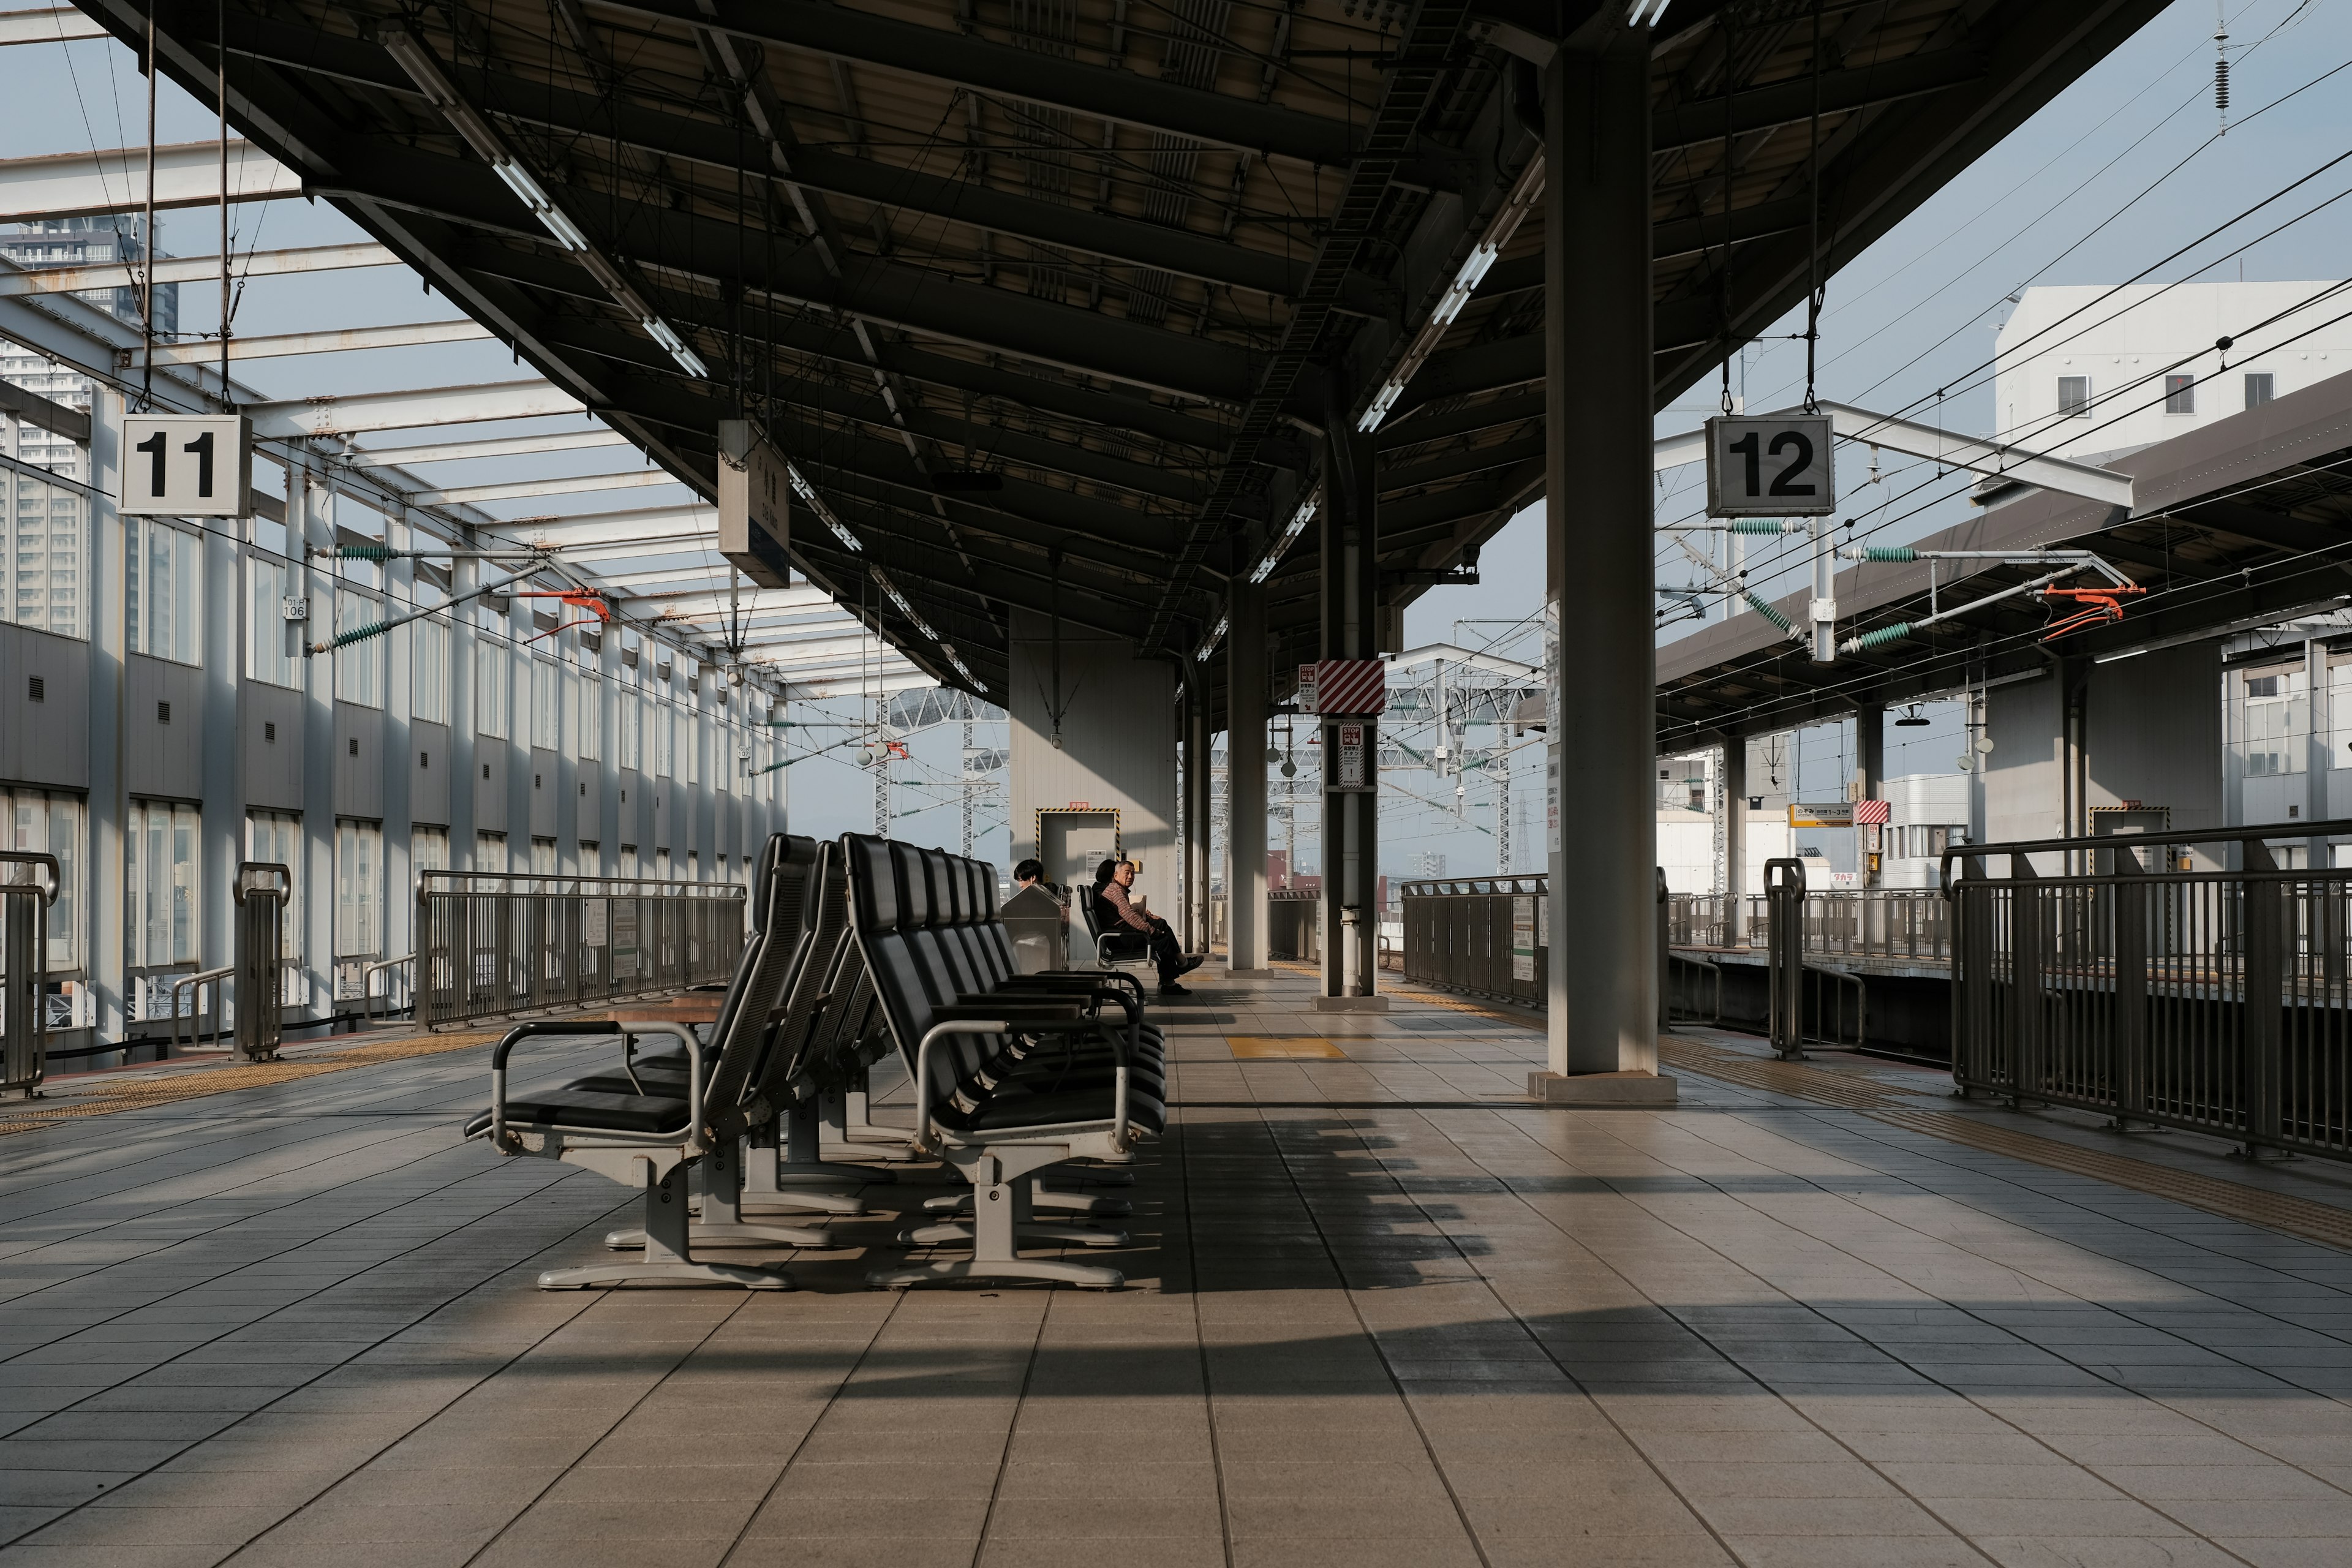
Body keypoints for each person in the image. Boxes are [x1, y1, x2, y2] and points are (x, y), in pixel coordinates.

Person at [1090, 858, 1201, 995]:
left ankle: (1176, 972)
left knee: (1161, 927)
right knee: (1162, 940)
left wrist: (1148, 919)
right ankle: (1171, 980)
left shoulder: (1113, 889)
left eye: (1133, 873)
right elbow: (1129, 916)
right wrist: (1152, 931)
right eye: (1127, 873)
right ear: (1115, 876)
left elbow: (1126, 912)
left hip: (1119, 934)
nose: (1131, 876)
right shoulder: (1116, 891)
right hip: (1120, 937)